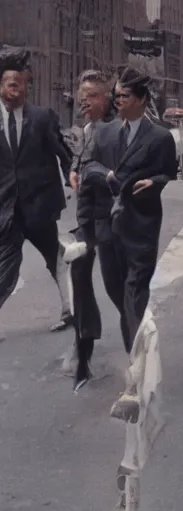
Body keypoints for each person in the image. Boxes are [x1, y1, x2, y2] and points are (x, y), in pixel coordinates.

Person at [77, 68, 178, 367]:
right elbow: (87, 167)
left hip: (141, 225)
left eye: (125, 96)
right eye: (117, 95)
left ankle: (138, 365)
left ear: (142, 99)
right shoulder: (103, 132)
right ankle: (136, 339)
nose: (118, 100)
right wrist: (103, 177)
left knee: (135, 292)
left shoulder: (160, 138)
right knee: (116, 291)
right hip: (108, 227)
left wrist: (156, 182)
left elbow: (167, 172)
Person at [0, 48, 74, 330]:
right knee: (5, 265)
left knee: (54, 258)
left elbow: (64, 153)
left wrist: (73, 176)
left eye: (23, 84)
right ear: (2, 86)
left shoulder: (42, 118)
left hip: (40, 206)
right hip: (7, 210)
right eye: (12, 84)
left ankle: (69, 309)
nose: (18, 90)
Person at [67, 70, 117, 389]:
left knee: (118, 289)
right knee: (79, 276)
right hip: (86, 221)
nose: (85, 101)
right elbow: (78, 160)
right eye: (82, 96)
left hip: (112, 223)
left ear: (106, 99)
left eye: (92, 96)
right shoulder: (84, 129)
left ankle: (139, 346)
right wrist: (74, 170)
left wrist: (100, 174)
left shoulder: (117, 131)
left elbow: (123, 174)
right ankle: (83, 351)